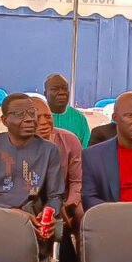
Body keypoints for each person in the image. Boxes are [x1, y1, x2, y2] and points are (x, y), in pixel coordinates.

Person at [0, 93, 64, 240]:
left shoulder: (50, 150)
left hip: (33, 221)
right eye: (20, 114)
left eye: (32, 112)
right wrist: (12, 213)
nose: (29, 119)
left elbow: (55, 196)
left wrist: (49, 213)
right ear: (5, 120)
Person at [32, 96, 83, 225]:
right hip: (30, 199)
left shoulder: (70, 140)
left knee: (80, 211)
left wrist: (69, 204)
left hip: (63, 198)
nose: (44, 122)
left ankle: (80, 239)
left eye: (48, 116)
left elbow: (77, 181)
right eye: (37, 117)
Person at [44, 73, 90, 147]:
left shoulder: (79, 118)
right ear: (45, 94)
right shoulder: (37, 117)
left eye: (65, 89)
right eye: (55, 89)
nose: (61, 93)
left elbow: (86, 148)